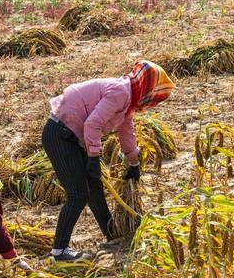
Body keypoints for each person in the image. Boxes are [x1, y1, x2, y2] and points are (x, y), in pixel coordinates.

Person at [42, 60, 175, 262]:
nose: (153, 102)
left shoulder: (128, 99)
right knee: (78, 194)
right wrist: (94, 157)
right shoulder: (121, 92)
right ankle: (59, 252)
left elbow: (126, 132)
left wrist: (134, 163)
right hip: (60, 135)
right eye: (155, 96)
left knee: (94, 188)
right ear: (147, 88)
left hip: (71, 135)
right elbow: (92, 124)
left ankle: (111, 234)